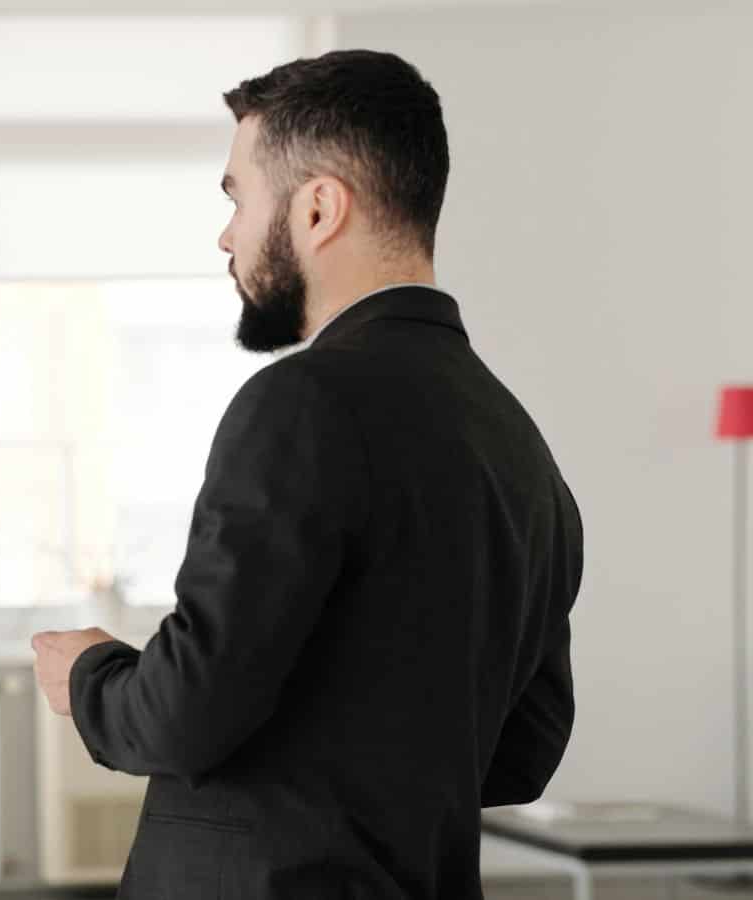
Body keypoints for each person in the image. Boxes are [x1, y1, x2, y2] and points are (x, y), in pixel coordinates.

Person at [30, 50, 583, 899]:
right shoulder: (521, 444)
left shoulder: (301, 403)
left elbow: (183, 715)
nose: (226, 233)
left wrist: (89, 676)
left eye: (236, 197)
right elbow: (523, 750)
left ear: (319, 207)